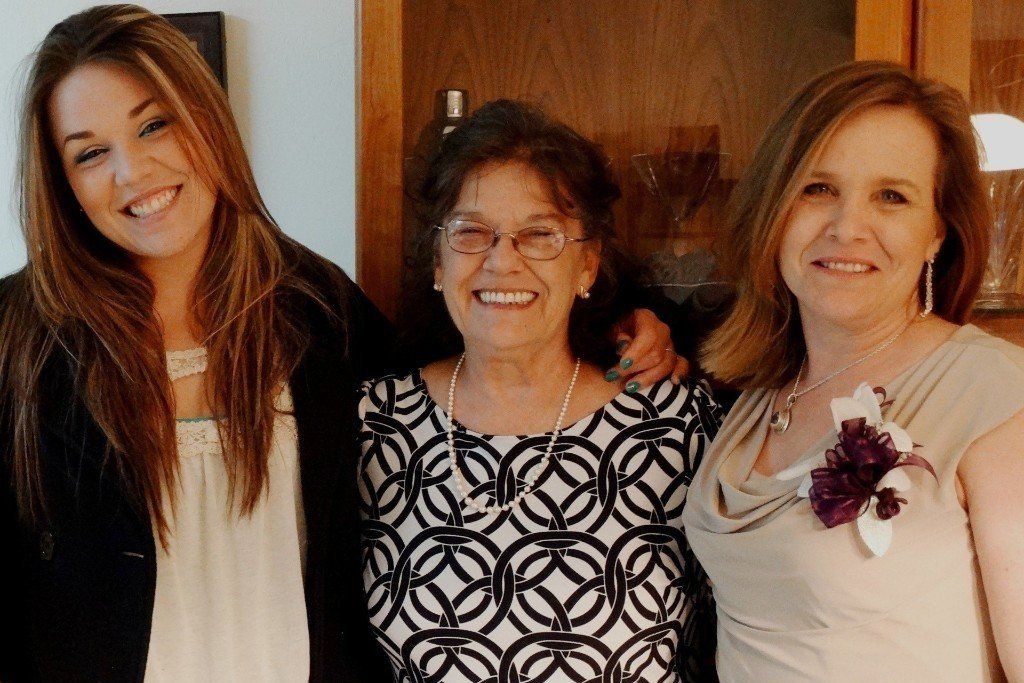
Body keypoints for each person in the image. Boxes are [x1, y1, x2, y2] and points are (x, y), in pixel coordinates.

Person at [0, 7, 683, 681]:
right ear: (62, 183)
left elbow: (483, 350)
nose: (133, 171)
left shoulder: (312, 306)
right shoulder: (14, 340)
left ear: (207, 121)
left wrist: (615, 325)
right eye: (90, 152)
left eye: (155, 123)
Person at [681, 61, 1024, 681]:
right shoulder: (761, 390)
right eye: (817, 189)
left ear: (936, 235)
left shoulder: (995, 395)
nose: (846, 228)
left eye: (891, 196)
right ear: (774, 211)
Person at [357, 99, 721, 683]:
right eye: (471, 232)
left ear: (587, 266)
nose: (502, 261)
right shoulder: (373, 423)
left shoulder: (673, 424)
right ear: (436, 259)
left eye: (540, 234)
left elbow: (732, 640)